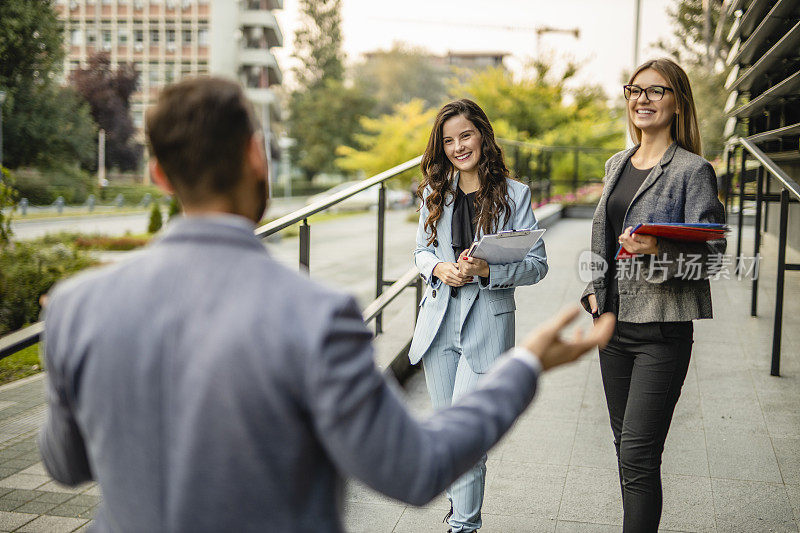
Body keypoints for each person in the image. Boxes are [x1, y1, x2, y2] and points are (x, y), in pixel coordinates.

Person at [38, 78, 615, 533]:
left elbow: (64, 465)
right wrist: (528, 364)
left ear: (159, 175)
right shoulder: (319, 316)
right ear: (257, 157)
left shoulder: (72, 307)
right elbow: (414, 468)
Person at [580, 58, 726, 532]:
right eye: (634, 90)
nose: (642, 100)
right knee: (626, 449)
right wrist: (594, 290)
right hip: (611, 329)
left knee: (640, 456)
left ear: (678, 102)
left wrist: (658, 248)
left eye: (655, 91)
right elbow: (604, 240)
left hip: (661, 332)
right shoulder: (615, 164)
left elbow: (711, 258)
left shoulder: (692, 171)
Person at [409, 99, 548, 532]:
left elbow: (537, 265)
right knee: (449, 435)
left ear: (483, 136)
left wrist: (489, 270)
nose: (457, 147)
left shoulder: (516, 194)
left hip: (486, 323)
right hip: (438, 324)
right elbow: (420, 251)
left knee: (468, 438)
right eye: (448, 141)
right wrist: (437, 267)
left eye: (465, 136)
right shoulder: (436, 191)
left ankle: (463, 526)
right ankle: (459, 509)